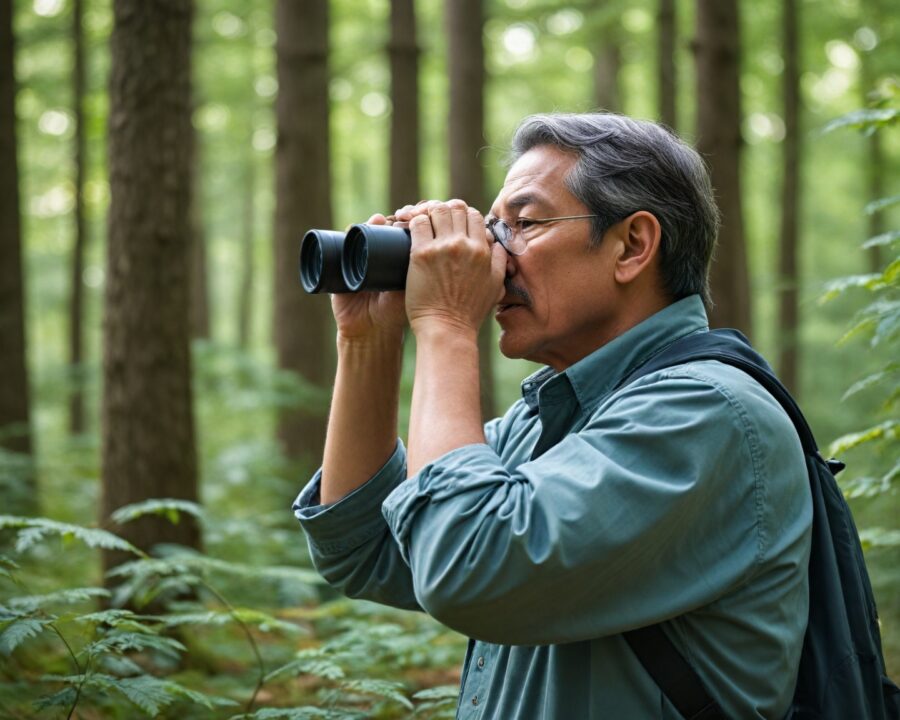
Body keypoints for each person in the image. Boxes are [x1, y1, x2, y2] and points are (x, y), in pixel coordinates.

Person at [292, 112, 812, 719]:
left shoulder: (707, 413)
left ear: (632, 246)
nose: (495, 255)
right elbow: (364, 546)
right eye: (492, 227)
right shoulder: (545, 418)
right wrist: (368, 342)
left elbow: (466, 568)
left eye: (524, 224)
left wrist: (446, 323)